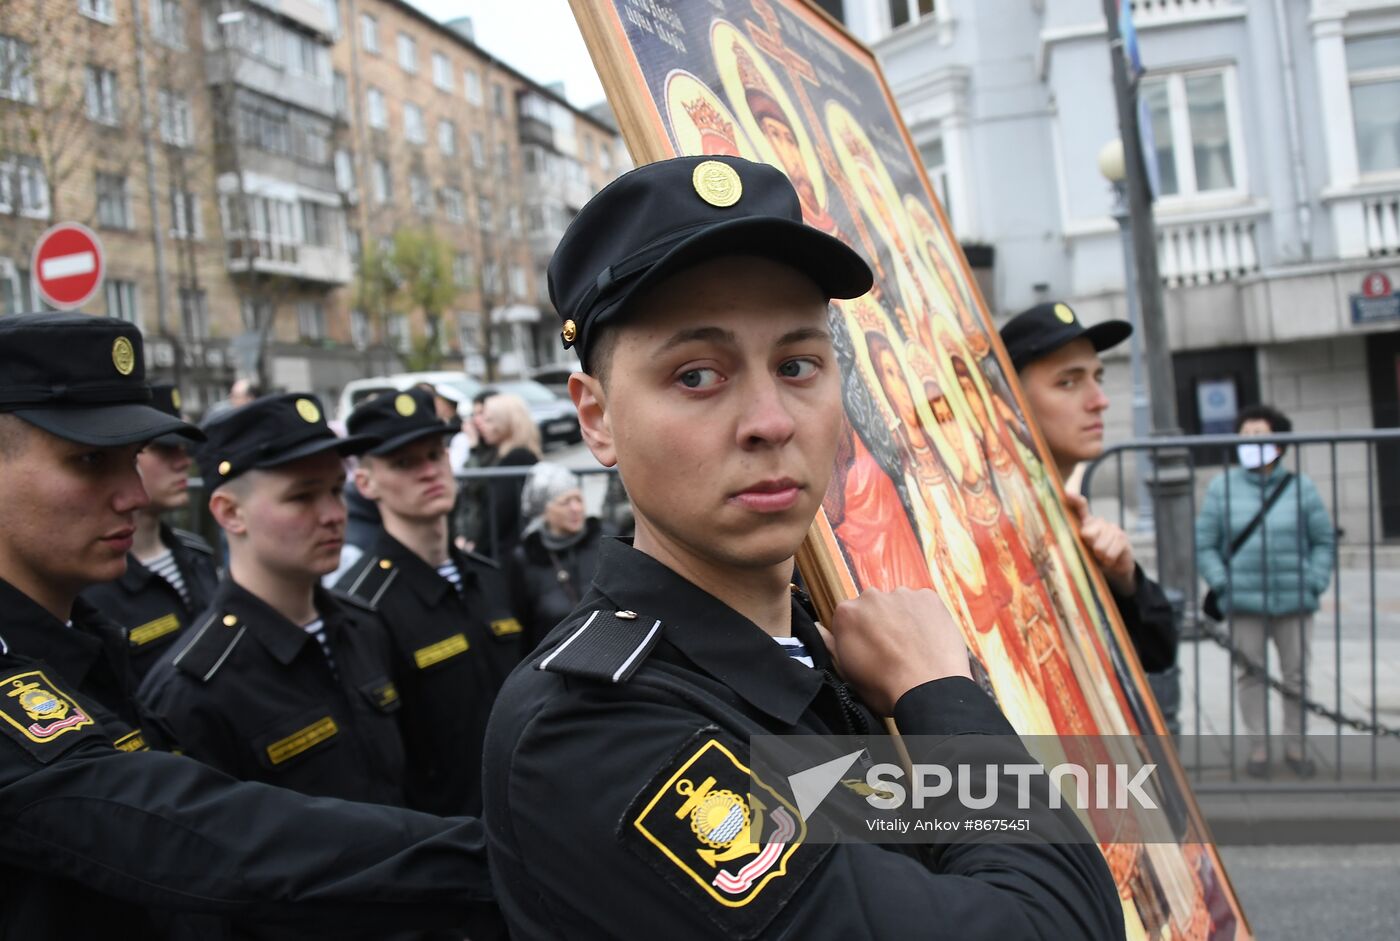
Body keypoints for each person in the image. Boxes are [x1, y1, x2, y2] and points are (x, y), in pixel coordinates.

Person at [482, 155, 1123, 939]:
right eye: (696, 375)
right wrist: (943, 699)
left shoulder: (824, 641)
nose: (771, 419)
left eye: (796, 364)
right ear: (597, 417)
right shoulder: (592, 729)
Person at [0, 312, 500, 936]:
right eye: (89, 461)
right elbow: (185, 832)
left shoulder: (87, 644)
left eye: (130, 461)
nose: (132, 494)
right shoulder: (163, 675)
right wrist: (494, 861)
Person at [139, 393, 411, 808]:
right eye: (302, 497)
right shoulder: (194, 687)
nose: (334, 514)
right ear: (230, 513)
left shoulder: (363, 627)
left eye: (336, 490)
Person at [336, 387, 524, 815]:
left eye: (436, 454)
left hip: (527, 808)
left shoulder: (488, 576)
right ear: (365, 482)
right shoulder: (360, 604)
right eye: (404, 463)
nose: (428, 471)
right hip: (448, 831)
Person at [999, 303, 1179, 684]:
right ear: (1009, 401)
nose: (1100, 400)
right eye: (1068, 382)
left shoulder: (1069, 509)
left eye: (1098, 377)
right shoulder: (991, 520)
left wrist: (1125, 580)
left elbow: (1158, 650)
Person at [1195, 404, 1335, 778]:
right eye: (1246, 436)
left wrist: (1315, 580)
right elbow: (1205, 543)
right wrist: (1224, 584)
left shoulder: (1300, 487)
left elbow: (1323, 541)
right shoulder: (1222, 488)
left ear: (1280, 442)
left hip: (1295, 600)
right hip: (1244, 603)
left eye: (1261, 435)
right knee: (1250, 675)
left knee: (1296, 677)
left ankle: (1296, 745)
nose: (1253, 442)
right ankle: (1258, 748)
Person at [81, 382, 221, 680]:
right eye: (166, 449)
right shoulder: (91, 582)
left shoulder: (196, 554)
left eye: (185, 449)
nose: (184, 462)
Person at [508, 462, 606, 649]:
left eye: (578, 499)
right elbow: (523, 626)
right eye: (565, 502)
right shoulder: (527, 557)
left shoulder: (603, 538)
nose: (576, 508)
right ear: (544, 509)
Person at [475, 392, 540, 558]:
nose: (482, 425)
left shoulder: (517, 458)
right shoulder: (508, 455)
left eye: (489, 420)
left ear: (506, 423)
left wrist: (478, 551)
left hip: (507, 555)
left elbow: (498, 516)